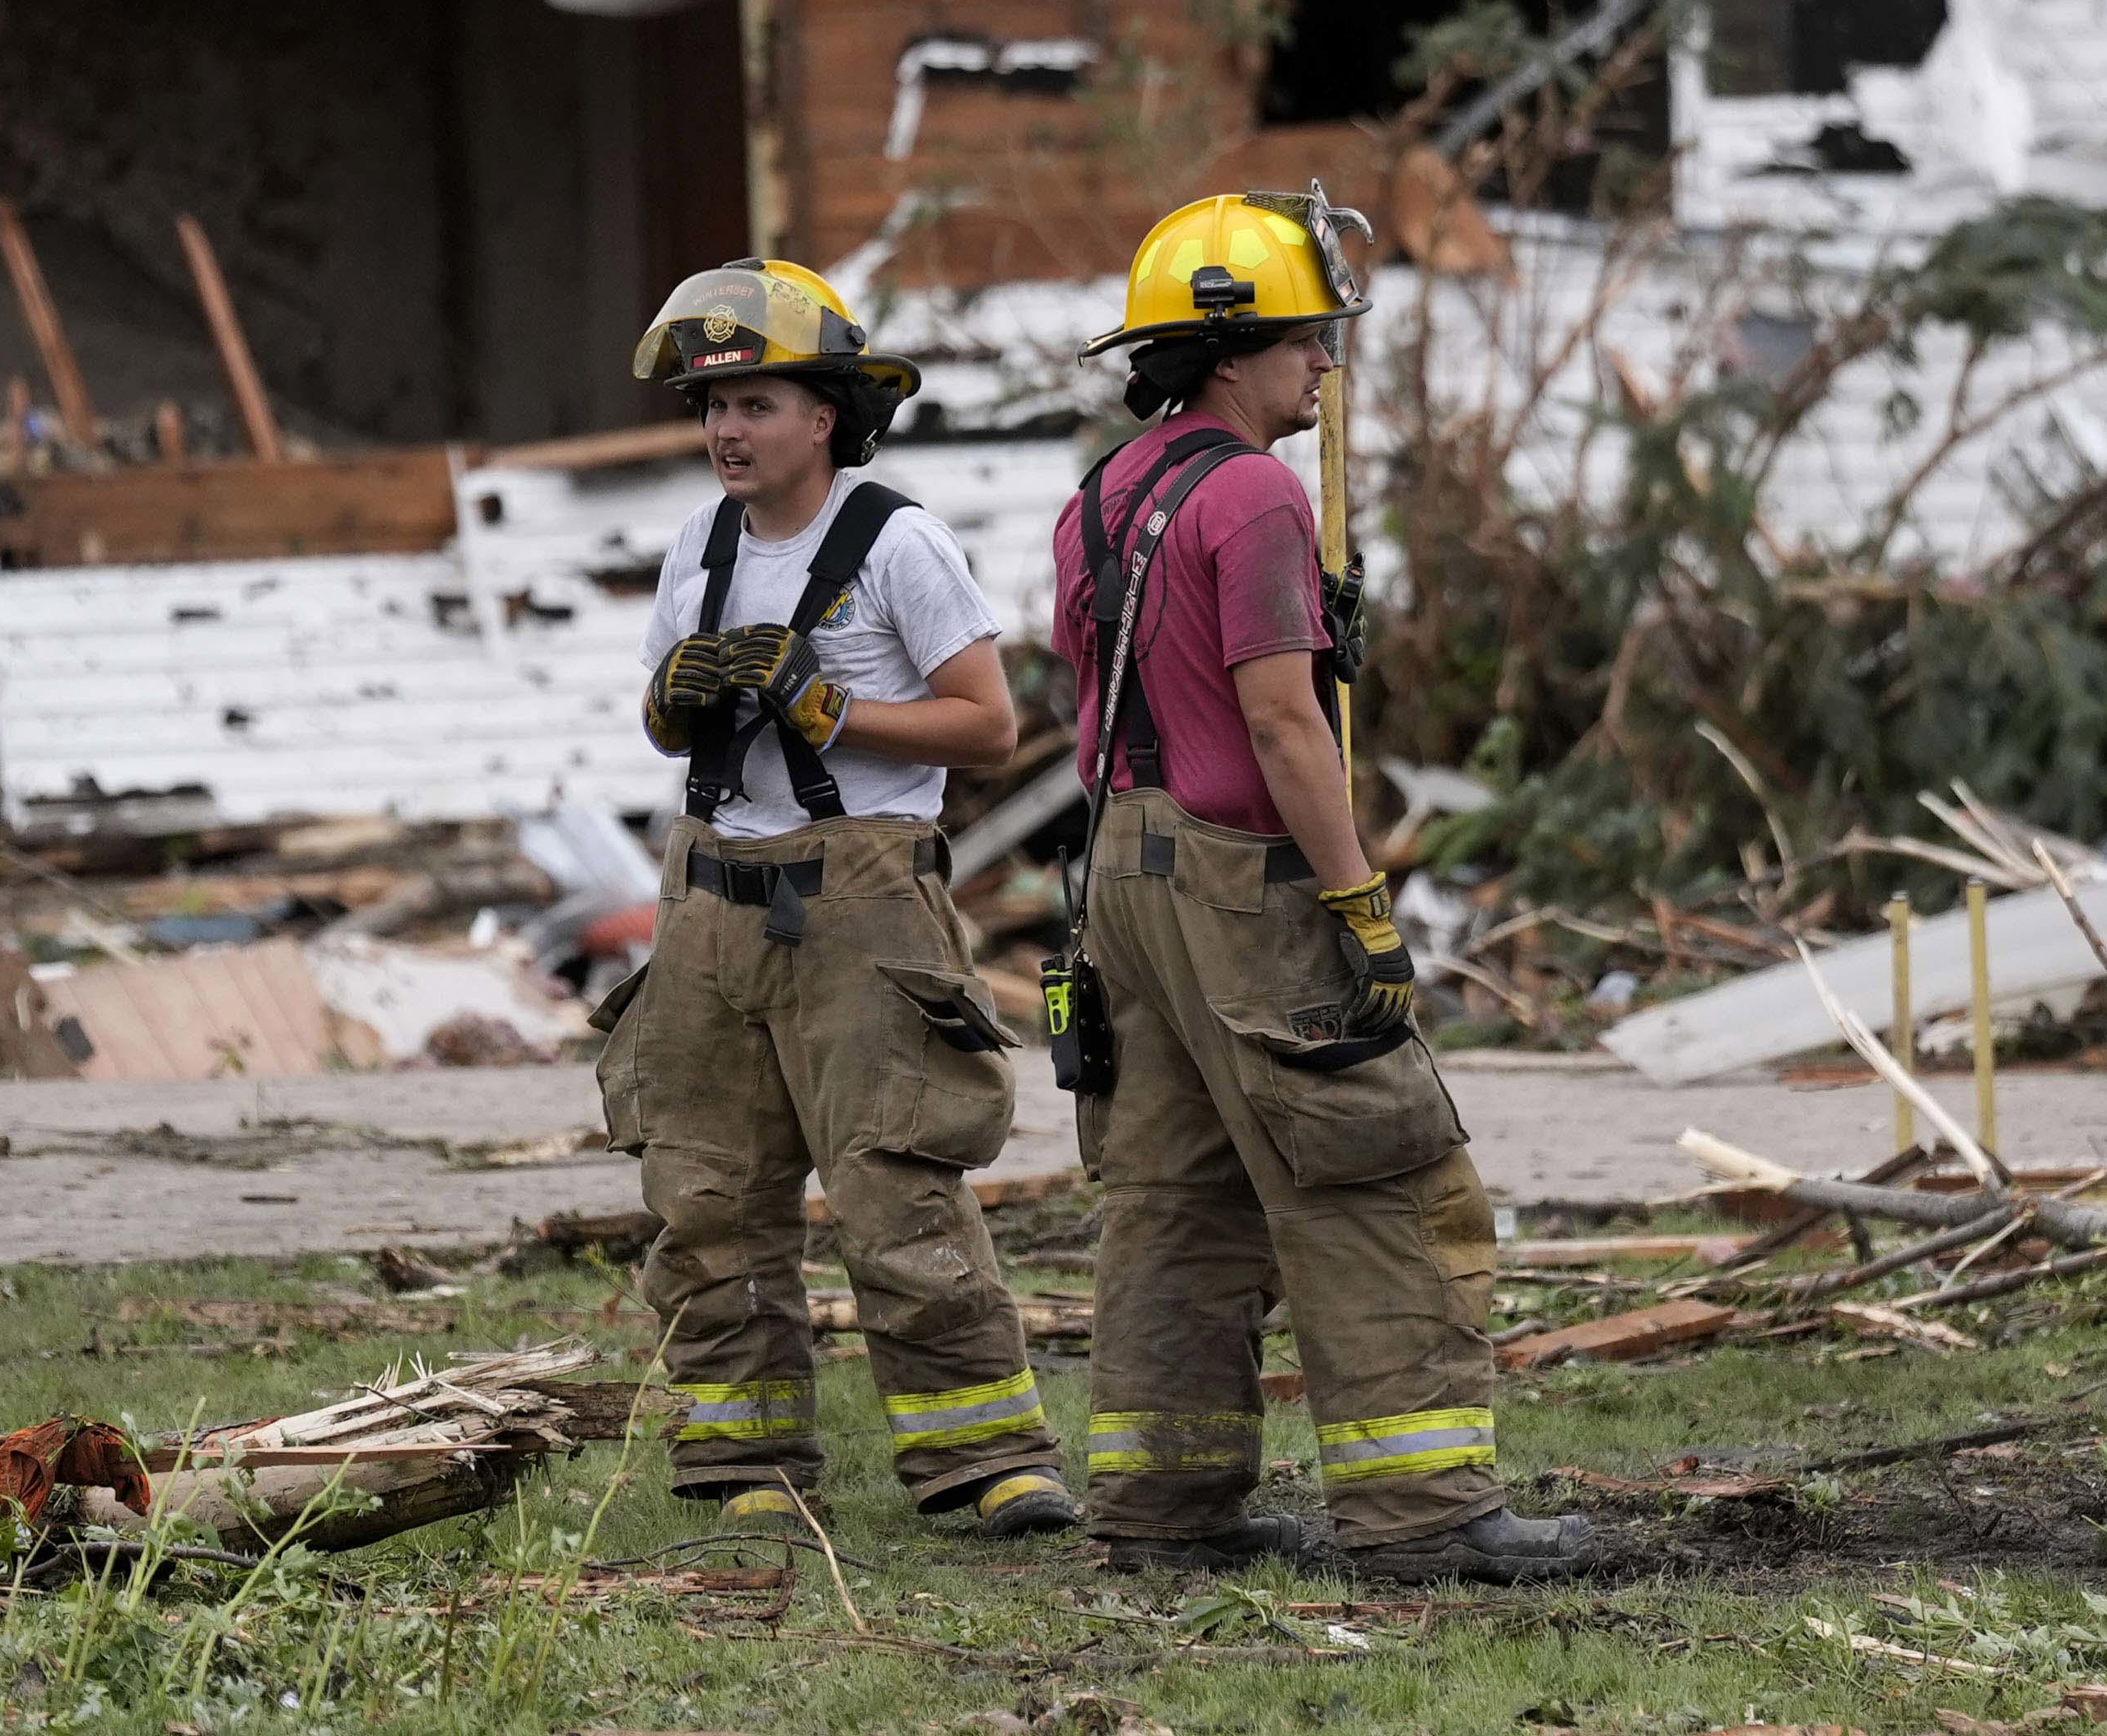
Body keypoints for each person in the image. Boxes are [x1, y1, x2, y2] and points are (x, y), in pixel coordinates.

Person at [1047, 193, 1597, 1585]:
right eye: (1305, 342)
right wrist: (1359, 907)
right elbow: (1288, 727)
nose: (1322, 370)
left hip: (1122, 868)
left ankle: (1163, 1508)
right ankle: (1424, 1514)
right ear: (1232, 354)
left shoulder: (1101, 496)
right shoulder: (1258, 493)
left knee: (1173, 1190)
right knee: (1372, 1160)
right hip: (1245, 882)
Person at [599, 258, 1080, 1543]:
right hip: (708, 905)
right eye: (709, 407)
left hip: (862, 902)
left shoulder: (898, 542)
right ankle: (741, 1460)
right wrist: (677, 701)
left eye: (753, 402)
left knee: (897, 1185)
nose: (723, 431)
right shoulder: (696, 547)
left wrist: (831, 707)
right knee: (706, 1194)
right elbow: (660, 725)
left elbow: (987, 725)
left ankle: (983, 1461)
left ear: (825, 414)